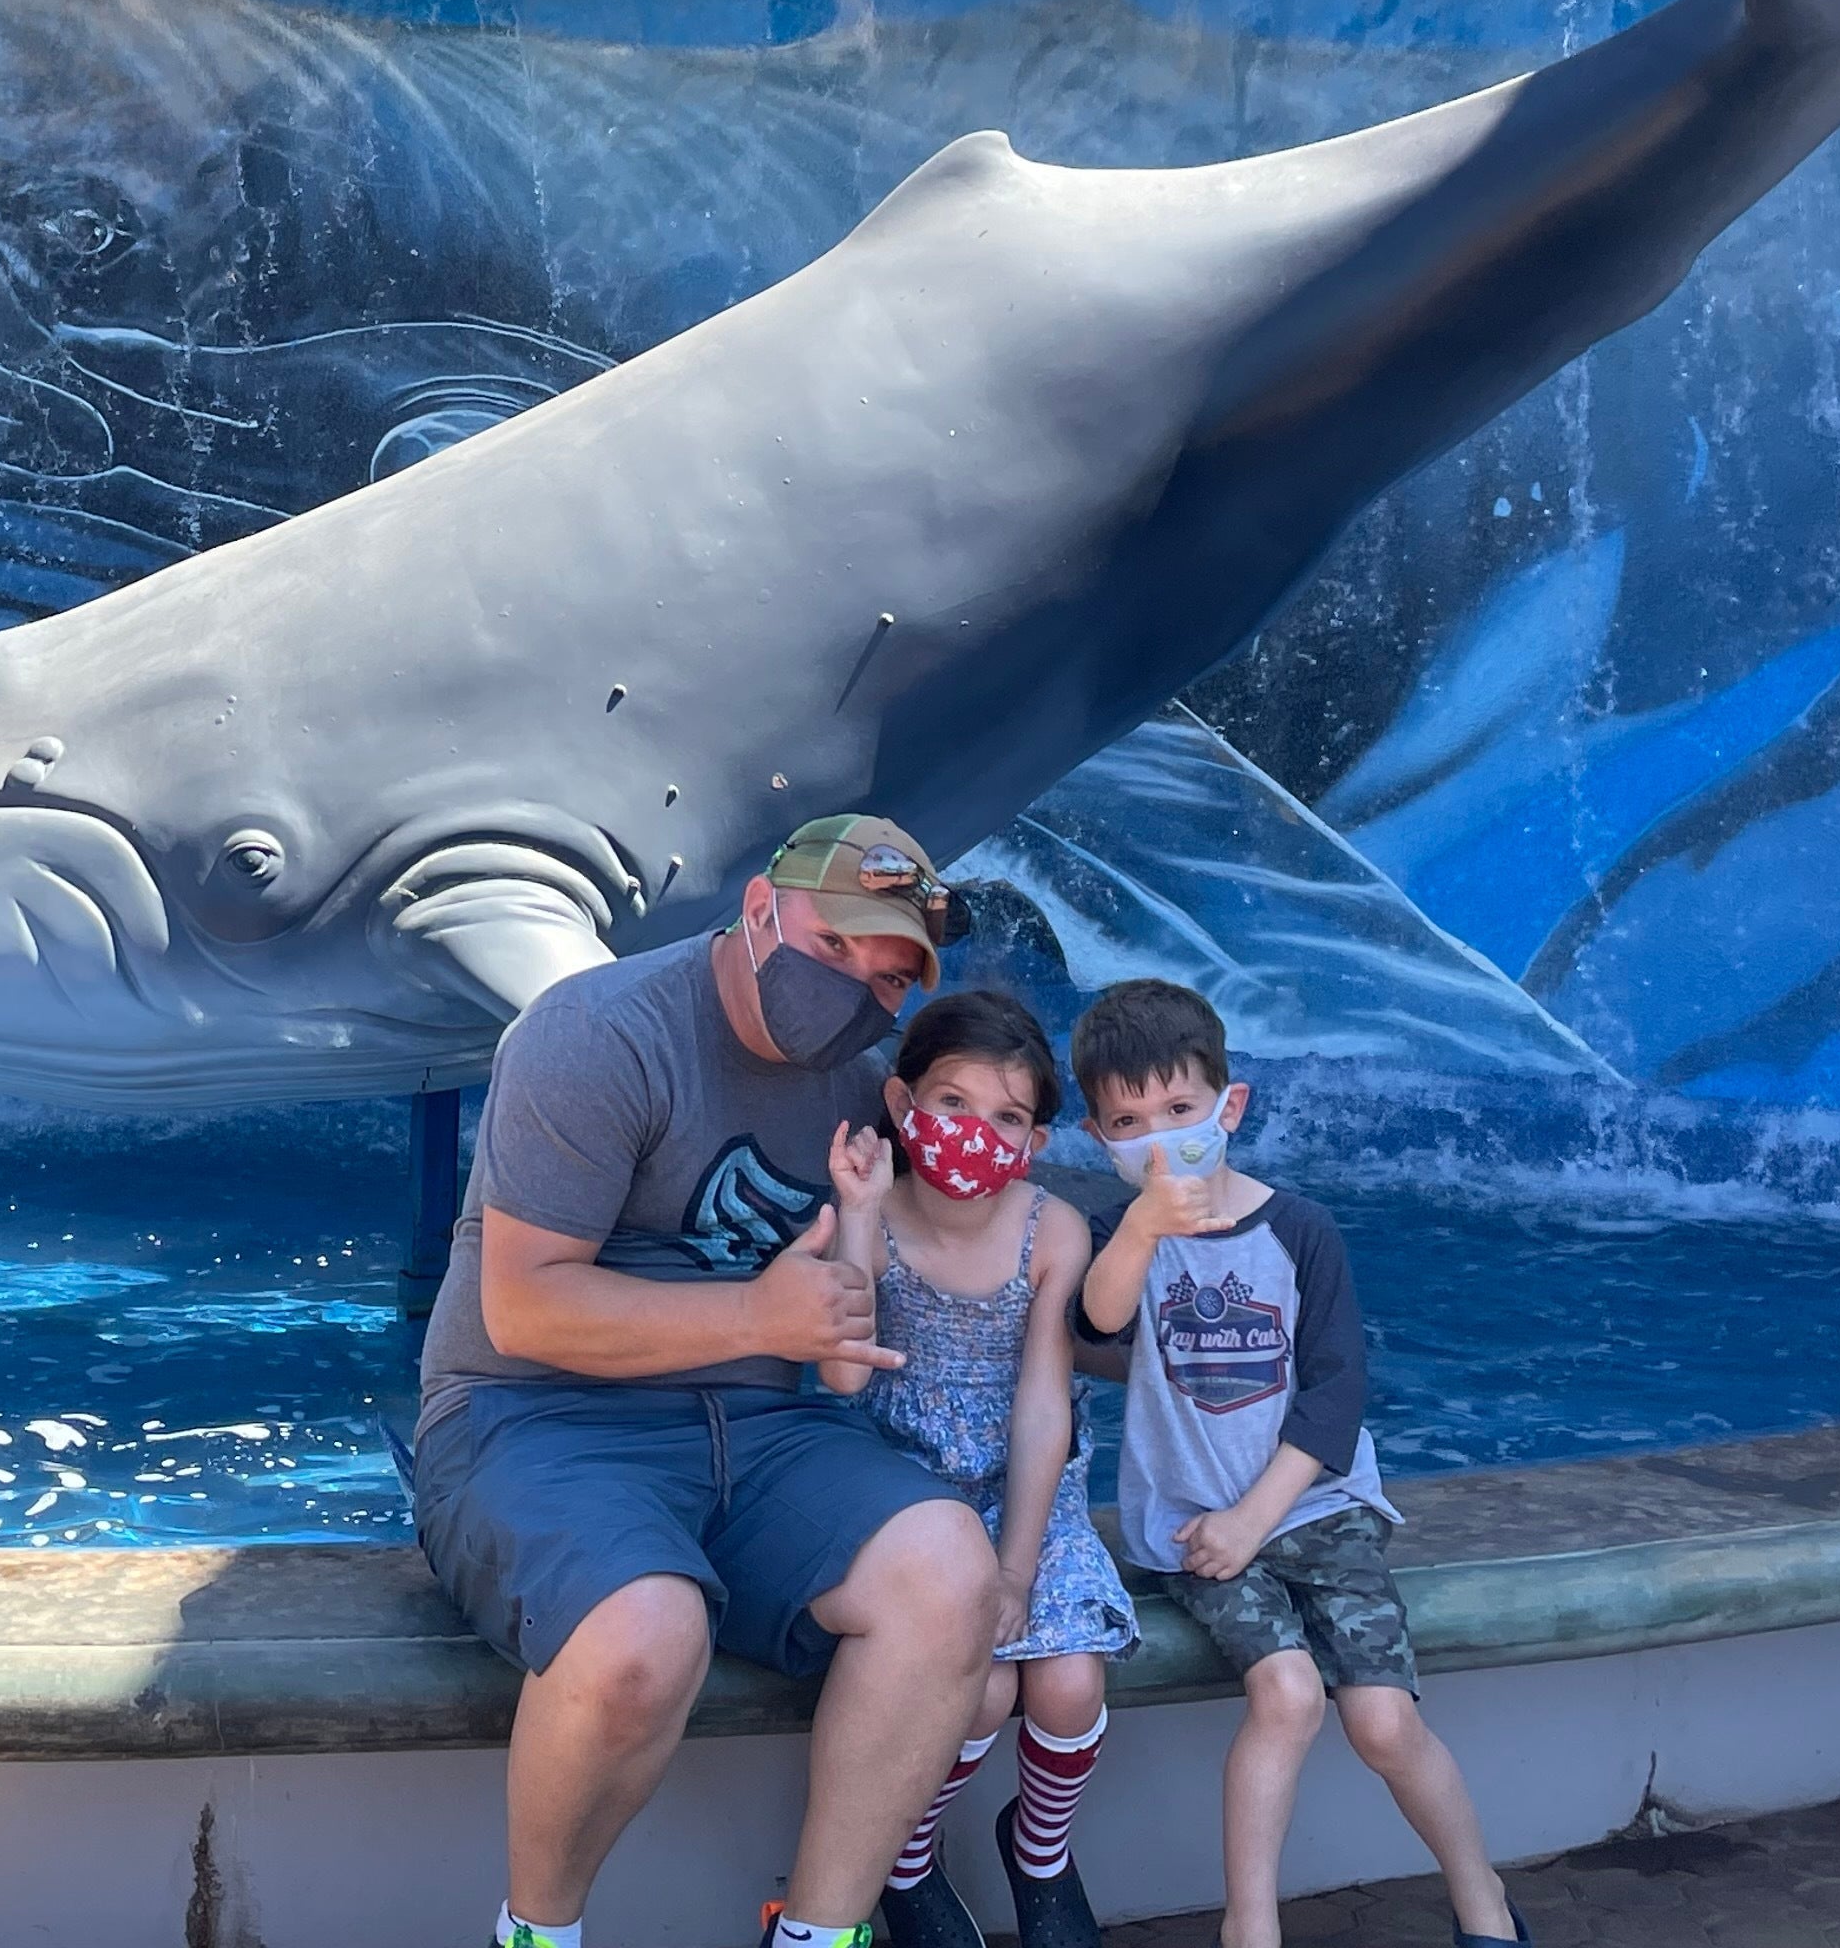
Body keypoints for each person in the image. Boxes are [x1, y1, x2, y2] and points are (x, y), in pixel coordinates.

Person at [409, 812, 1013, 1948]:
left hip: (763, 1424)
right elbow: (523, 1305)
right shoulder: (595, 1034)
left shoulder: (861, 1085)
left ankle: (819, 1935)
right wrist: (754, 1312)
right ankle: (537, 1937)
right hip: (535, 1412)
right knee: (646, 1634)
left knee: (948, 1575)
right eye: (835, 948)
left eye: (885, 979)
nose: (851, 991)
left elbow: (955, 1239)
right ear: (757, 909)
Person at [1069, 981, 1523, 1948]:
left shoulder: (1299, 1229)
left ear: (1228, 1107)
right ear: (1097, 1134)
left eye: (1180, 1111)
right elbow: (1092, 1323)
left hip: (1314, 1509)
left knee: (1383, 1725)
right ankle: (1251, 1928)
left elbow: (1334, 1393)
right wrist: (1146, 1227)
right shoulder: (1120, 1238)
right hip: (1192, 1524)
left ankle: (1482, 1899)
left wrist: (1254, 1518)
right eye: (1129, 1122)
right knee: (1285, 1693)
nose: (1159, 1138)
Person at [820, 989, 1135, 1948]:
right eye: (953, 1105)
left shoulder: (1055, 1230)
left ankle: (1039, 1854)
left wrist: (1015, 1569)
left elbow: (1045, 1408)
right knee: (983, 1690)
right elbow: (838, 1376)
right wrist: (860, 1216)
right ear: (905, 1104)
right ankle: (905, 1863)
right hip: (901, 1485)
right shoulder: (871, 1215)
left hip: (1023, 1492)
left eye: (1008, 1117)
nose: (977, 1133)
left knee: (1070, 1684)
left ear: (1036, 1139)